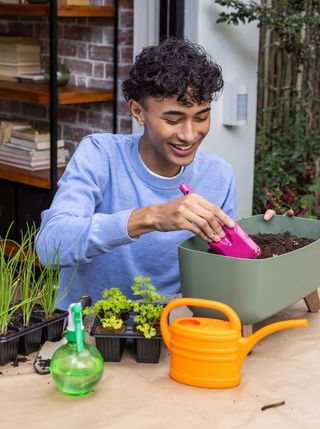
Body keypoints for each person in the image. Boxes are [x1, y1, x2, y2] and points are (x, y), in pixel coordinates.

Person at [36, 38, 255, 310]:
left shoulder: (218, 176)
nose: (189, 135)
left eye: (201, 117)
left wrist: (272, 236)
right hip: (89, 331)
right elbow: (49, 247)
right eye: (173, 120)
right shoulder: (100, 155)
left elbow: (226, 268)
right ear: (138, 112)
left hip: (172, 327)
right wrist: (150, 217)